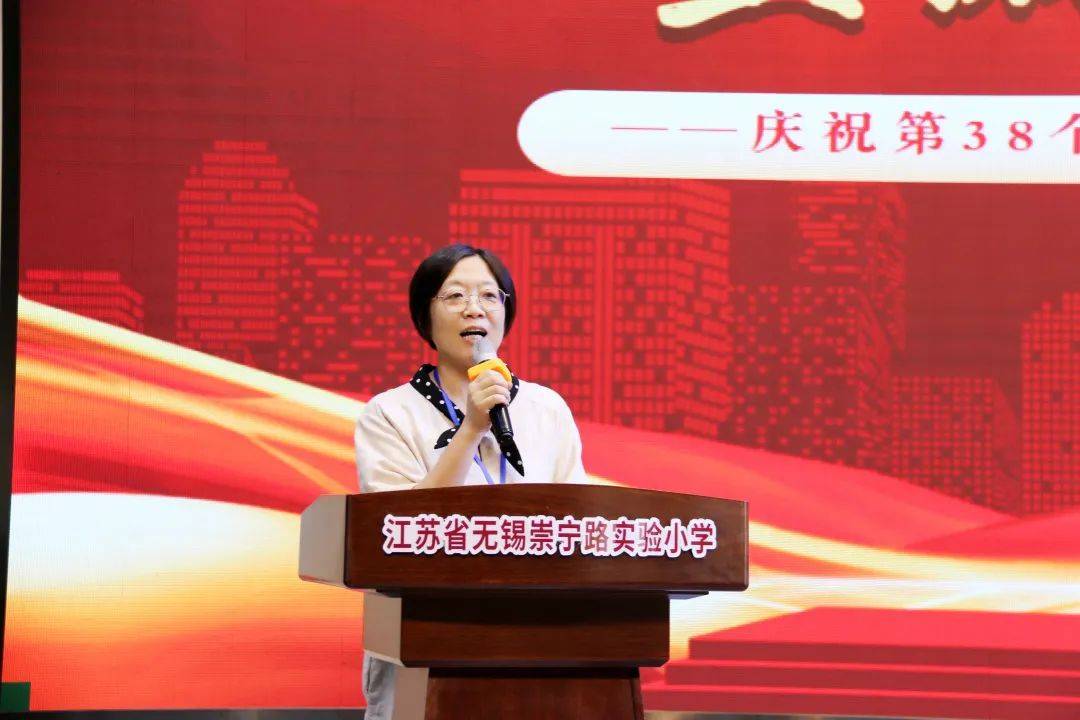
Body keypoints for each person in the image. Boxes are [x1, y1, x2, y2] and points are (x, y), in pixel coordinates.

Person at [354, 244, 588, 719]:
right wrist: (472, 429)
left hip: (532, 635)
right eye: (455, 296)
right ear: (426, 315)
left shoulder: (547, 409)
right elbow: (397, 532)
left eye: (489, 296)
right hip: (426, 634)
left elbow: (577, 524)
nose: (474, 309)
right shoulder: (390, 413)